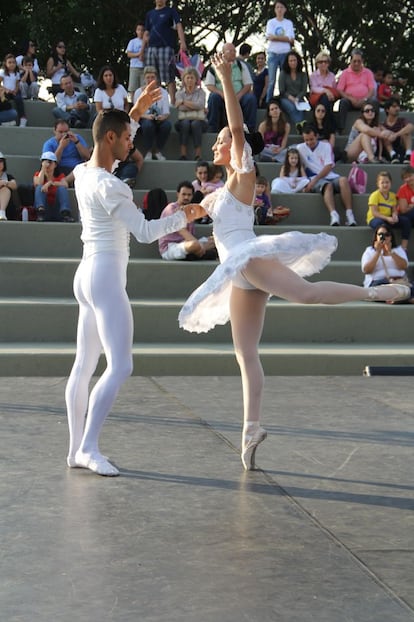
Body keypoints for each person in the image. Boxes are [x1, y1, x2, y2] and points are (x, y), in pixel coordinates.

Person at [178, 53, 410, 471]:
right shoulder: (216, 192)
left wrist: (226, 78)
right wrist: (187, 215)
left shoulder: (242, 176)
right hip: (238, 273)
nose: (216, 143)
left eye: (222, 141)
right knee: (245, 353)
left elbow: (233, 126)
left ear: (237, 146)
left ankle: (375, 292)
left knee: (306, 295)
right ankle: (251, 429)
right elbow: (199, 213)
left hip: (248, 257)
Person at [65, 85, 204, 477]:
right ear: (112, 138)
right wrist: (185, 216)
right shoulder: (112, 185)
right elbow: (145, 232)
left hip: (86, 274)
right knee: (121, 365)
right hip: (106, 277)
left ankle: (76, 449)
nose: (132, 144)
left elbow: (110, 135)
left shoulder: (83, 172)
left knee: (84, 365)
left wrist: (136, 112)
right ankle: (89, 447)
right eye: (128, 138)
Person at [297, 124, 357, 226]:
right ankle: (334, 215)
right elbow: (299, 165)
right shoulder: (300, 148)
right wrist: (306, 181)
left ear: (316, 136)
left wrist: (315, 180)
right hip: (314, 179)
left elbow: (328, 166)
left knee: (343, 180)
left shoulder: (326, 146)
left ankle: (350, 215)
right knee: (327, 186)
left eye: (311, 139)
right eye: (306, 140)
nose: (309, 142)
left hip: (327, 176)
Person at [205, 42, 257, 133]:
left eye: (234, 51)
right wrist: (223, 95)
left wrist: (238, 96)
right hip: (221, 96)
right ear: (223, 53)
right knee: (213, 97)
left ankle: (250, 130)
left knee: (250, 99)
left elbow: (248, 84)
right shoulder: (215, 66)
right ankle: (212, 129)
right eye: (230, 51)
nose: (234, 53)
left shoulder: (241, 66)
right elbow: (209, 85)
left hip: (239, 97)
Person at [158, 181, 217, 260]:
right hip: (171, 247)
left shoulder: (189, 210)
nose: (186, 197)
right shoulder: (171, 209)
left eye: (189, 195)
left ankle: (196, 253)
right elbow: (183, 232)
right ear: (178, 194)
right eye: (184, 194)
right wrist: (199, 246)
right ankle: (201, 253)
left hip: (187, 243)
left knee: (216, 240)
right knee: (194, 245)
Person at [144, 0, 187, 105]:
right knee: (152, 77)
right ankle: (155, 103)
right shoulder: (150, 14)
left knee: (168, 77)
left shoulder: (171, 11)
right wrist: (142, 49)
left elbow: (178, 26)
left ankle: (172, 103)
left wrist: (183, 43)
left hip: (166, 48)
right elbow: (146, 32)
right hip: (151, 48)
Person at [361, 224, 413, 301]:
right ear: (376, 236)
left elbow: (404, 266)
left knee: (405, 286)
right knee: (385, 287)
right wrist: (378, 252)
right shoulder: (369, 251)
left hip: (398, 281)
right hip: (378, 282)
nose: (384, 237)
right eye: (380, 234)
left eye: (387, 235)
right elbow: (366, 270)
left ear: (391, 237)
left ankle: (398, 298)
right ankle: (404, 298)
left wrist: (390, 252)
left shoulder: (398, 250)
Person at [133, 65, 171, 161]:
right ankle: (149, 151)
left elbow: (166, 112)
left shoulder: (163, 92)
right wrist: (146, 116)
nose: (150, 80)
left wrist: (162, 117)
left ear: (156, 78)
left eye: (152, 77)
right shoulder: (138, 92)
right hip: (144, 119)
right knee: (147, 125)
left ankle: (157, 151)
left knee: (167, 125)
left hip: (158, 119)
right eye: (148, 77)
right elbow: (136, 111)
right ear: (144, 78)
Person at [366, 171, 411, 251]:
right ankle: (383, 247)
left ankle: (403, 247)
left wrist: (394, 216)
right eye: (382, 182)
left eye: (387, 182)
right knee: (382, 226)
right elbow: (374, 213)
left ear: (391, 183)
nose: (385, 185)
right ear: (378, 184)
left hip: (388, 218)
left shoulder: (392, 195)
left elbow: (394, 210)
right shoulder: (375, 195)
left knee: (406, 221)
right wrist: (387, 218)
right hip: (375, 219)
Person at [336, 49, 376, 134]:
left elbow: (372, 90)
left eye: (359, 61)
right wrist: (350, 98)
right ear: (350, 61)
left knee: (374, 101)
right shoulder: (345, 73)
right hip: (350, 101)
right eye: (354, 61)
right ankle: (341, 129)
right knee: (343, 102)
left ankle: (374, 127)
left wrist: (364, 99)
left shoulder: (368, 73)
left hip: (365, 101)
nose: (357, 63)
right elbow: (340, 89)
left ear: (362, 61)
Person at [175, 66, 207, 161]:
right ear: (184, 79)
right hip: (184, 120)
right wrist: (194, 106)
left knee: (195, 124)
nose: (189, 80)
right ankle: (183, 154)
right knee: (184, 124)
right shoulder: (179, 93)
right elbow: (180, 108)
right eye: (187, 77)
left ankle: (198, 155)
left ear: (196, 79)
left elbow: (200, 105)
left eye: (192, 78)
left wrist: (183, 102)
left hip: (199, 121)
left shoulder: (201, 92)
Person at [265, 1, 295, 103]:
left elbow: (291, 39)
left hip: (285, 53)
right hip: (273, 53)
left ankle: (285, 100)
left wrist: (276, 37)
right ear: (275, 9)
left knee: (285, 79)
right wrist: (284, 38)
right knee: (272, 80)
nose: (279, 9)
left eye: (281, 7)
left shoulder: (288, 23)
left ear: (285, 9)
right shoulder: (271, 22)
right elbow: (270, 37)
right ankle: (268, 102)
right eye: (277, 7)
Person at [33, 151, 73, 222]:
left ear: (55, 165)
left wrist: (51, 183)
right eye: (45, 162)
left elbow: (65, 184)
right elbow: (38, 183)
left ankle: (65, 213)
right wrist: (43, 169)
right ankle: (40, 211)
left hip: (56, 208)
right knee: (39, 188)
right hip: (45, 208)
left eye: (50, 162)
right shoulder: (37, 175)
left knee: (62, 189)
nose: (48, 165)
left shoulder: (60, 176)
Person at [278, 50, 309, 125]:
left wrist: (297, 98)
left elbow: (304, 90)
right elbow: (282, 90)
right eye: (291, 61)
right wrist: (291, 98)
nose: (293, 62)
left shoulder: (303, 74)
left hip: (299, 98)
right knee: (292, 108)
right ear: (287, 62)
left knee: (300, 109)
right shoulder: (283, 73)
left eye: (294, 60)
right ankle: (300, 125)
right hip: (286, 98)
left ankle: (300, 126)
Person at [309, 51, 338, 127]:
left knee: (327, 100)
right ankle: (331, 125)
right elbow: (314, 88)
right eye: (321, 62)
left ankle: (328, 125)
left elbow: (334, 89)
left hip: (330, 99)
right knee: (325, 98)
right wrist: (326, 90)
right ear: (317, 64)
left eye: (326, 62)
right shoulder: (313, 76)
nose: (323, 64)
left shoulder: (332, 76)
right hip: (317, 100)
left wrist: (330, 93)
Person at [257, 97, 290, 162]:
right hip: (266, 149)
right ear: (269, 113)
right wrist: (270, 149)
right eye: (272, 109)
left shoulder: (286, 125)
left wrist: (280, 149)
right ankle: (278, 159)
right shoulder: (263, 125)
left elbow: (284, 143)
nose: (275, 110)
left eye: (276, 108)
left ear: (280, 110)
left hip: (279, 150)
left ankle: (273, 159)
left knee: (294, 148)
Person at [381, 98, 413, 164]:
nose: (397, 108)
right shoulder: (383, 124)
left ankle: (408, 155)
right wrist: (390, 134)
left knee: (406, 131)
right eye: (394, 106)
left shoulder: (402, 120)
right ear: (387, 109)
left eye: (398, 106)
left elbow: (411, 126)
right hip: (388, 149)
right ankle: (393, 155)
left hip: (401, 145)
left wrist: (396, 135)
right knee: (384, 134)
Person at [0, 54, 27, 126]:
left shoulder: (16, 73)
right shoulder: (3, 72)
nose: (12, 64)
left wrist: (15, 90)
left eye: (13, 62)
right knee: (5, 101)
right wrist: (6, 90)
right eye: (9, 62)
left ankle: (23, 118)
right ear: (5, 63)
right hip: (6, 91)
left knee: (19, 99)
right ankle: (8, 120)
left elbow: (17, 84)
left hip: (14, 91)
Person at [125, 22, 145, 101]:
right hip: (134, 67)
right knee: (133, 88)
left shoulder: (147, 41)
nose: (140, 32)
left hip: (144, 67)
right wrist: (138, 54)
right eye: (139, 30)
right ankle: (133, 104)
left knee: (143, 88)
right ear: (136, 31)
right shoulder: (132, 42)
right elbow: (129, 54)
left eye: (142, 30)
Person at [0, 152, 17, 221]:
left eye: (1, 161)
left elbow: (14, 185)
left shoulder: (8, 176)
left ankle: (2, 213)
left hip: (8, 209)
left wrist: (5, 183)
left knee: (6, 190)